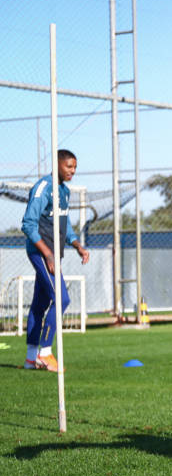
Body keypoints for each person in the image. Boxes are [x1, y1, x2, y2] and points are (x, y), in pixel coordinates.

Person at [20, 149, 89, 371]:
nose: (73, 171)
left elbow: (64, 225)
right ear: (57, 164)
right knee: (61, 299)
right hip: (40, 253)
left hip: (54, 254)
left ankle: (31, 359)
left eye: (75, 167)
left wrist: (77, 245)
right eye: (69, 166)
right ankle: (45, 352)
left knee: (39, 305)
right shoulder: (43, 188)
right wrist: (47, 254)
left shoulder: (64, 192)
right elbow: (28, 224)